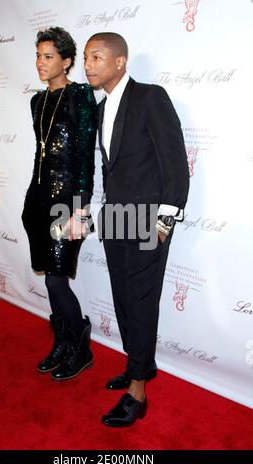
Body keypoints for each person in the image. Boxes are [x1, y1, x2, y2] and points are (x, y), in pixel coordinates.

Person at [84, 32, 189, 426]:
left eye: (96, 57)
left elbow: (175, 163)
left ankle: (138, 391)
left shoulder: (150, 97)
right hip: (116, 219)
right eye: (86, 58)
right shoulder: (100, 109)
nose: (89, 65)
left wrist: (163, 223)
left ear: (120, 61)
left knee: (142, 303)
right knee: (124, 298)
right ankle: (137, 366)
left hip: (149, 221)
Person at [22, 27, 97, 381]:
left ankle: (80, 347)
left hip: (66, 204)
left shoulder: (80, 97)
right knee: (52, 279)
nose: (41, 62)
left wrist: (80, 209)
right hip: (37, 201)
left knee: (55, 281)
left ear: (67, 62)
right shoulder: (37, 101)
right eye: (38, 55)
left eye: (48, 56)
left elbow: (84, 157)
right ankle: (63, 342)